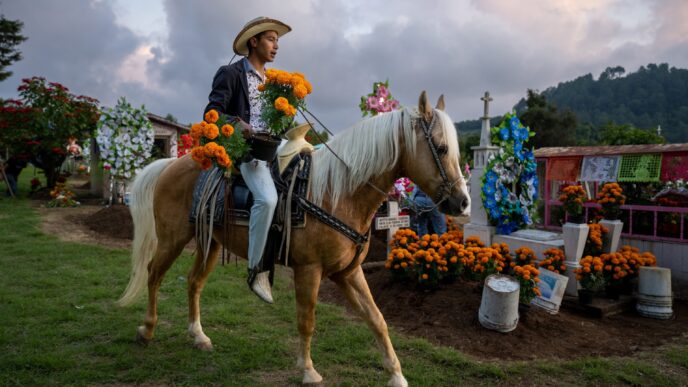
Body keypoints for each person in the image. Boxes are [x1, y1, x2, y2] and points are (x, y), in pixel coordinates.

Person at [204, 17, 291, 304]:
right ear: (253, 42)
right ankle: (256, 270)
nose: (275, 46)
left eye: (277, 40)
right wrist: (236, 123)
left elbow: (275, 123)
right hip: (246, 151)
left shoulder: (274, 82)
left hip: (272, 146)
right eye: (270, 39)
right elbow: (211, 114)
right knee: (266, 199)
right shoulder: (230, 74)